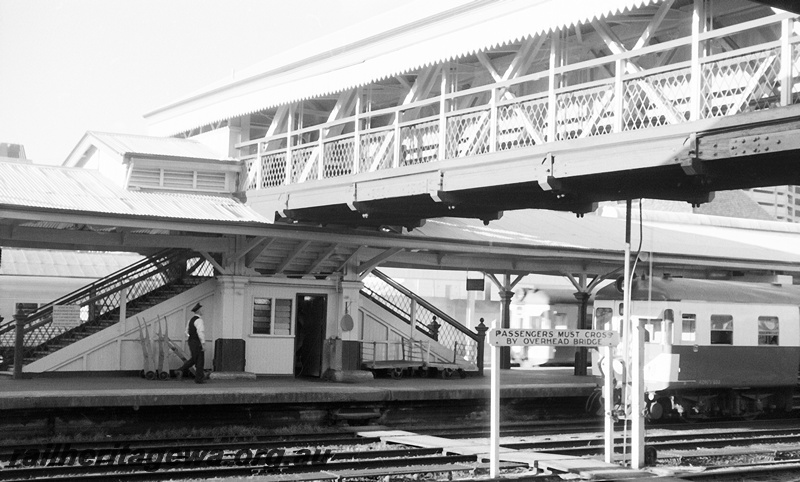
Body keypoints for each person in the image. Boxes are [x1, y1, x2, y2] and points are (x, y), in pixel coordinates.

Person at [178, 303, 206, 384]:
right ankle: (199, 379)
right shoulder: (199, 320)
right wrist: (203, 343)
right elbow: (201, 332)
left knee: (194, 359)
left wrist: (191, 336)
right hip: (197, 342)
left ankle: (180, 370)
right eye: (202, 309)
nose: (203, 311)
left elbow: (186, 332)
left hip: (191, 341)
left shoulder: (190, 320)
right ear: (199, 311)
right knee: (200, 360)